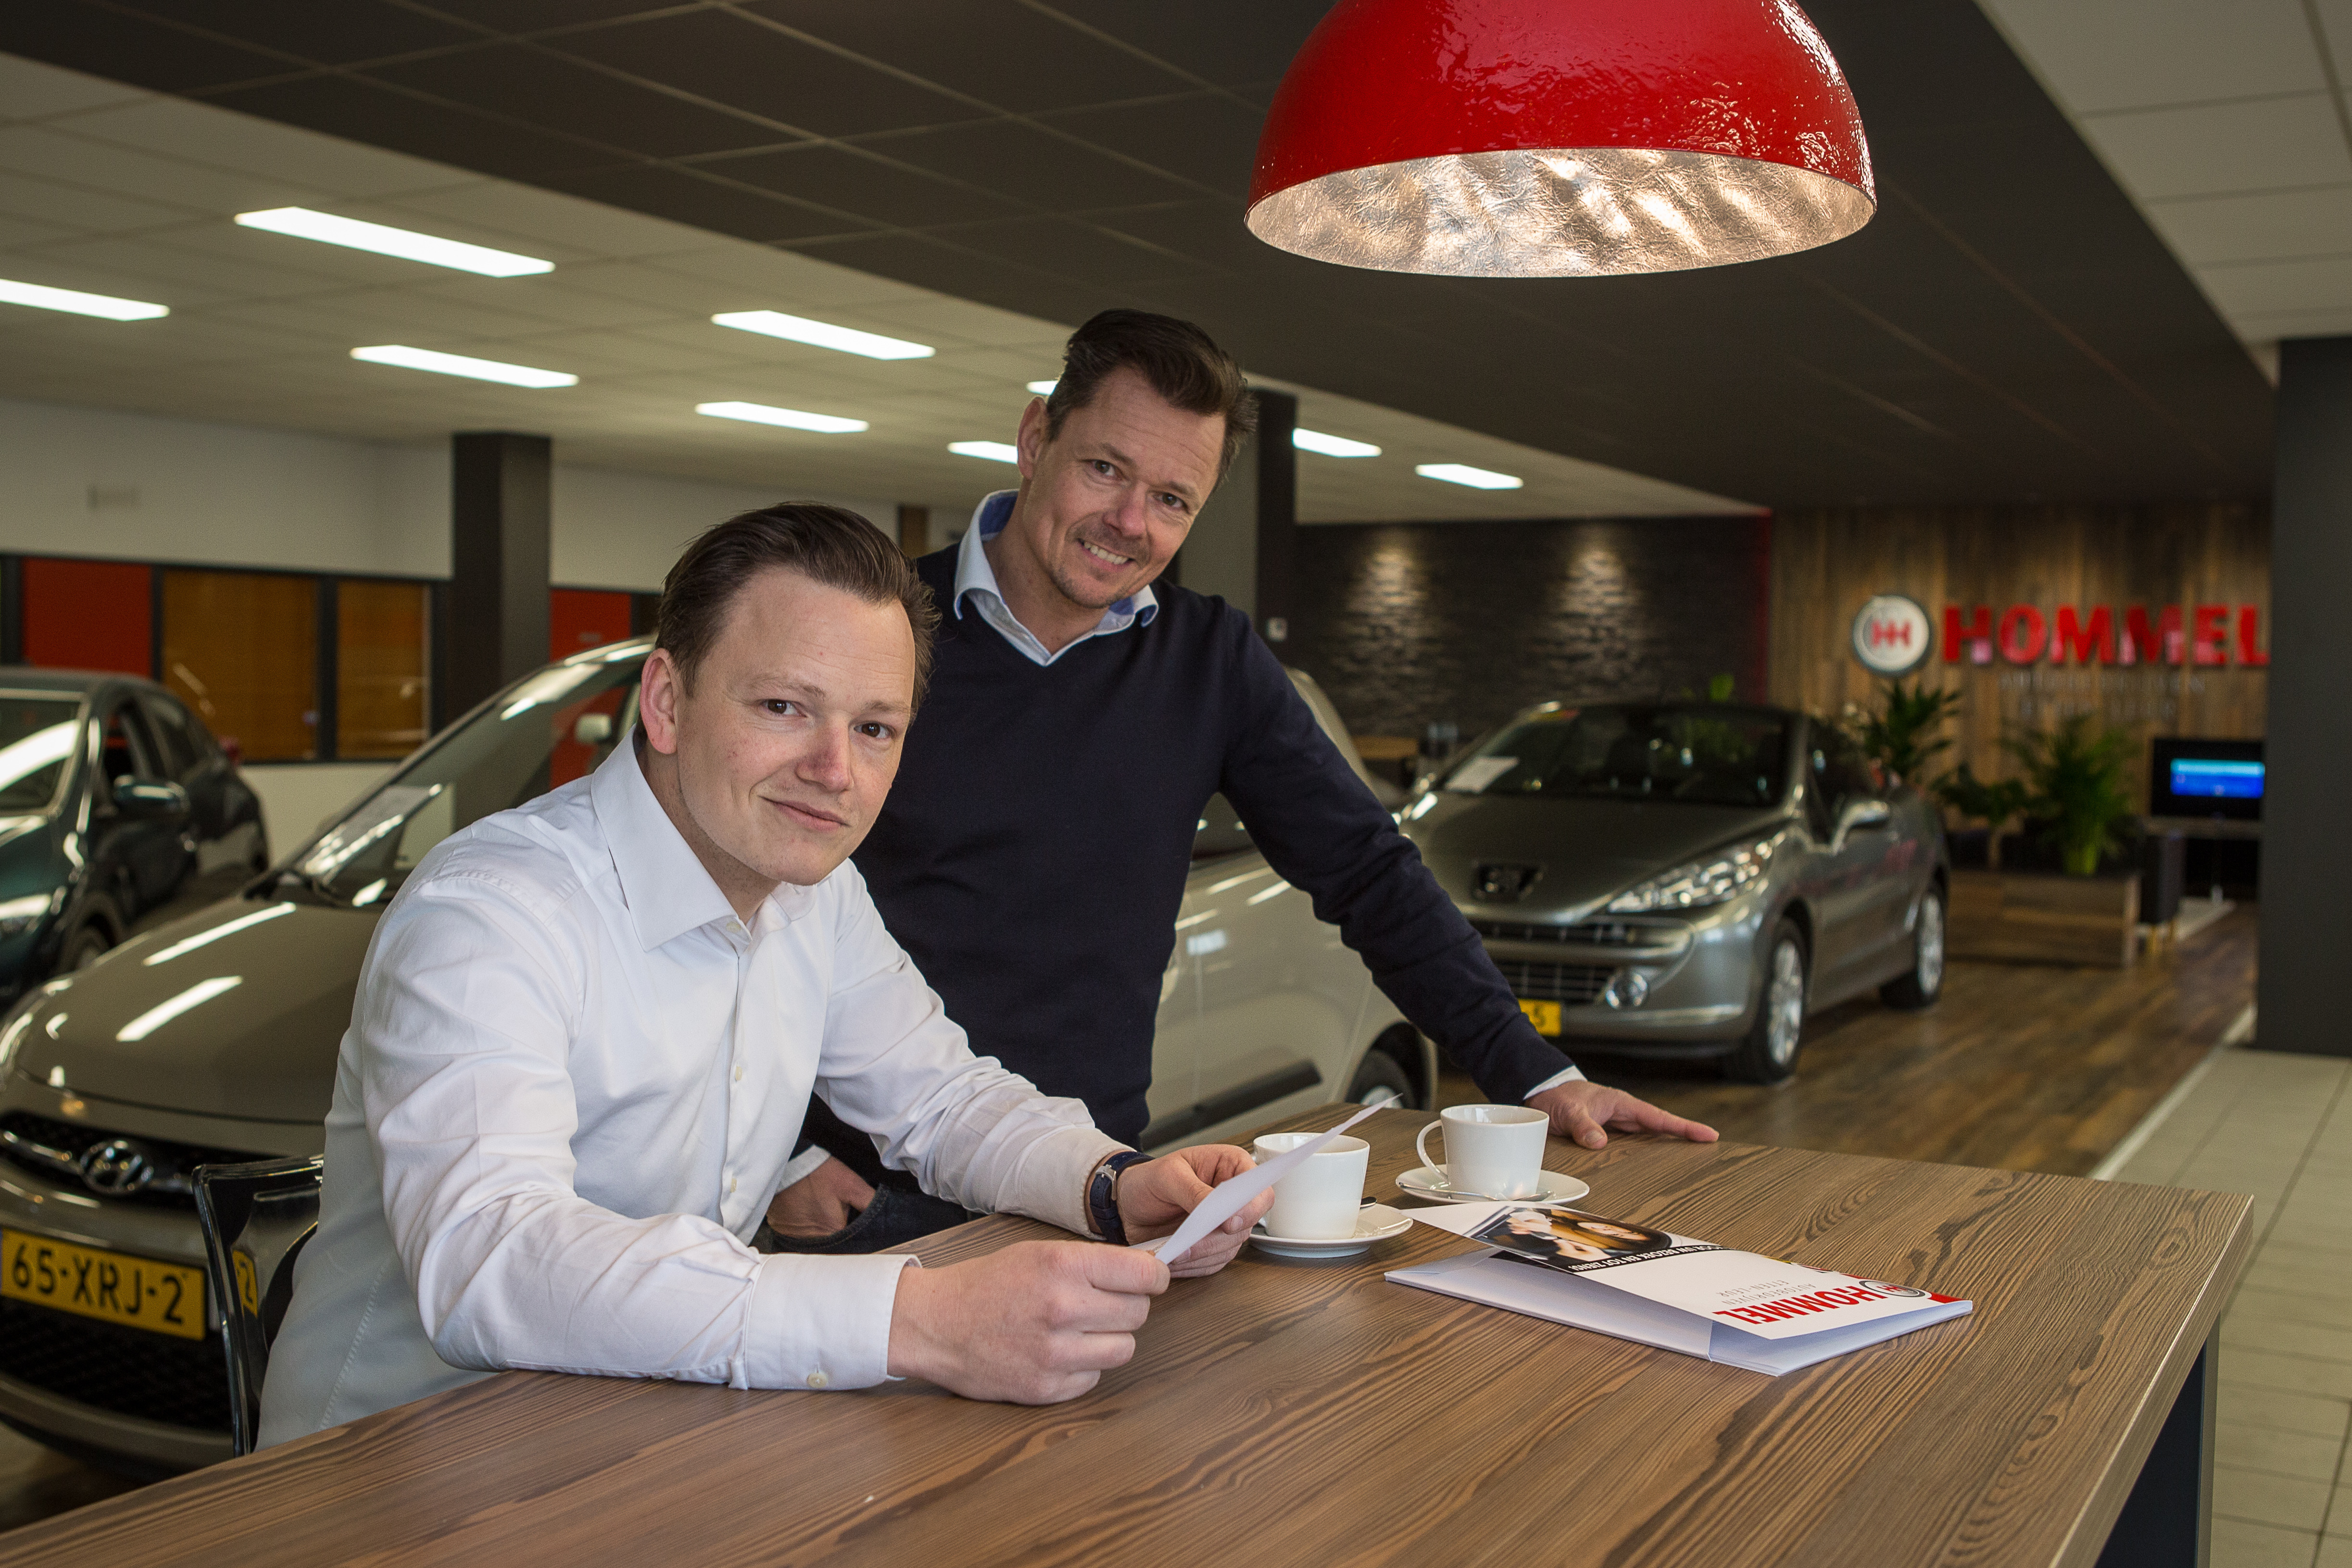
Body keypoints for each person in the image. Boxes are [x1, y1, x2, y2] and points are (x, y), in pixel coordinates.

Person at [259, 504, 1274, 1447]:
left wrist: (1110, 1184)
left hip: (648, 1436)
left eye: (874, 727)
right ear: (666, 700)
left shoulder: (810, 894)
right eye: (786, 705)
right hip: (393, 1467)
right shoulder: (491, 911)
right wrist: (910, 1316)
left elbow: (941, 1097)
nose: (835, 768)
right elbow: (492, 1256)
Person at [770, 309, 1716, 1251]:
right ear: (1034, 438)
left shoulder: (1209, 662)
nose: (1130, 522)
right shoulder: (880, 625)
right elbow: (743, 879)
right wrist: (786, 1156)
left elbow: (1367, 870)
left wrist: (1533, 1073)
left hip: (1089, 1183)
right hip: (859, 1192)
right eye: (1105, 468)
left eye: (1174, 499)